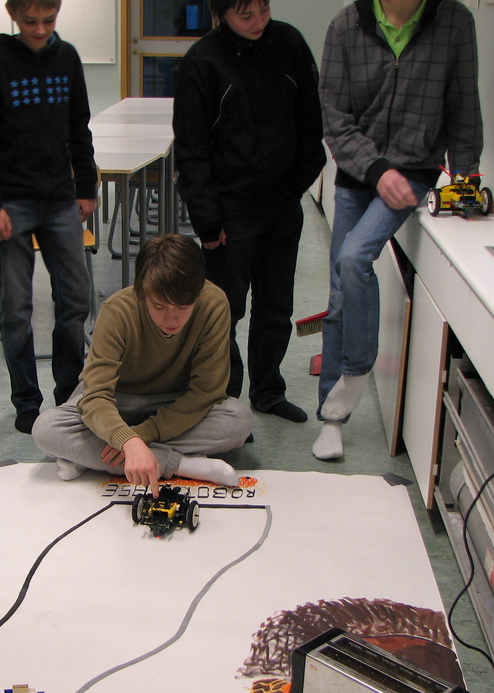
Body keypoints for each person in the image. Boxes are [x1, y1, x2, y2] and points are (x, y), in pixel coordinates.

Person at [313, 0, 483, 460]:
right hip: (358, 173)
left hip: (414, 171)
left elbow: (464, 106)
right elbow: (334, 116)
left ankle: (352, 380)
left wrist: (467, 184)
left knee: (353, 257)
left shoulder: (454, 22)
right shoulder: (347, 25)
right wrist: (375, 169)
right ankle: (331, 419)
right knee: (339, 294)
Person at [173, 0, 327, 425]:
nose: (258, 21)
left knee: (276, 306)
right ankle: (226, 401)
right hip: (229, 212)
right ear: (221, 14)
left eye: (263, 8)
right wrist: (207, 220)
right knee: (224, 312)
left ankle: (268, 390)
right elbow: (191, 149)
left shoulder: (289, 43)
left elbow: (311, 123)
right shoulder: (202, 61)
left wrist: (295, 185)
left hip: (282, 204)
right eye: (246, 15)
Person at [32, 234, 253, 496]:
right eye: (159, 306)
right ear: (141, 293)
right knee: (46, 429)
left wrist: (141, 435)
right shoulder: (117, 310)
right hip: (119, 400)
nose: (171, 319)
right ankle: (182, 464)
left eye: (183, 306)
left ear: (198, 294)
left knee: (239, 420)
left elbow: (206, 392)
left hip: (176, 402)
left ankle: (91, 458)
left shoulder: (213, 303)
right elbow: (95, 396)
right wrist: (129, 442)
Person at [0, 0, 98, 435]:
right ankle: (26, 401)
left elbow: (79, 127)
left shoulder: (68, 58)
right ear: (12, 14)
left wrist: (86, 187)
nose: (41, 29)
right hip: (11, 202)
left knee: (75, 301)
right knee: (15, 308)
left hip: (60, 198)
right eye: (30, 21)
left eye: (49, 20)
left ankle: (68, 397)